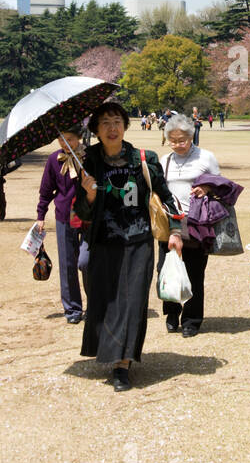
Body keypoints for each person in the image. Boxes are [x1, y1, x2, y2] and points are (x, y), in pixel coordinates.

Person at [75, 102, 184, 392]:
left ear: (125, 126)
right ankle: (111, 353)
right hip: (103, 242)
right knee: (107, 299)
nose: (112, 128)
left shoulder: (143, 159)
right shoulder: (89, 162)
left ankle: (122, 364)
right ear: (96, 130)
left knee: (133, 300)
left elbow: (166, 196)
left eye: (117, 121)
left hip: (138, 241)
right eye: (105, 123)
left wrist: (175, 231)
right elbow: (81, 214)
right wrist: (87, 195)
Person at [157, 113, 220, 337]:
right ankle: (172, 313)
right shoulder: (164, 161)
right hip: (169, 223)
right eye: (173, 140)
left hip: (197, 222)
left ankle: (192, 318)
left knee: (194, 272)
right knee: (167, 270)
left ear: (191, 136)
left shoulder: (206, 157)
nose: (177, 144)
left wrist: (208, 189)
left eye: (182, 139)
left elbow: (221, 185)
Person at [35, 125, 88, 324]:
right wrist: (41, 215)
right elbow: (46, 190)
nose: (66, 143)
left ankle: (95, 305)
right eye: (61, 139)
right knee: (67, 264)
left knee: (88, 262)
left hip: (89, 218)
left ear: (79, 138)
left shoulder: (90, 157)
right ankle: (73, 309)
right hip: (64, 217)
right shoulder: (53, 160)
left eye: (70, 139)